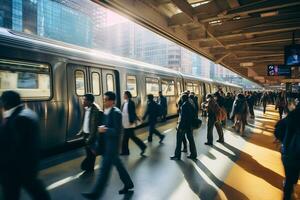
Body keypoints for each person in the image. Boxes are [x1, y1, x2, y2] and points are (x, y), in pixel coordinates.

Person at [82, 91, 134, 199]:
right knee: (119, 167)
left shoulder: (116, 113)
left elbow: (117, 131)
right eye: (104, 99)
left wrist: (104, 129)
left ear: (112, 101)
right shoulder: (107, 112)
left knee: (103, 172)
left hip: (111, 148)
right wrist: (98, 145)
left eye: (106, 100)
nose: (104, 101)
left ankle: (95, 194)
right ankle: (128, 183)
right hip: (107, 146)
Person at [0, 90, 50, 200]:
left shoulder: (19, 118)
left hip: (17, 167)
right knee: (35, 191)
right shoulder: (24, 113)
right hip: (24, 166)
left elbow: (13, 145)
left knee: (17, 193)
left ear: (6, 103)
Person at [274, 99, 300, 200]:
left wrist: (284, 140)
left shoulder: (292, 115)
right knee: (293, 176)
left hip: (289, 154)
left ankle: (288, 195)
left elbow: (278, 130)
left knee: (289, 177)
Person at [78, 93, 103, 173]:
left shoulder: (96, 111)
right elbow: (85, 121)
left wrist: (91, 138)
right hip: (86, 134)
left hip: (91, 135)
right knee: (89, 152)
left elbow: (95, 127)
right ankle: (89, 168)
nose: (83, 101)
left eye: (84, 100)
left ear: (89, 101)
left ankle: (89, 168)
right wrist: (81, 131)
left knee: (91, 153)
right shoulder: (87, 108)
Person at [170, 94, 197, 160]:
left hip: (183, 126)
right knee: (191, 140)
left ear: (182, 99)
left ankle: (177, 155)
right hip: (190, 126)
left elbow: (183, 118)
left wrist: (180, 127)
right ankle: (193, 154)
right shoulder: (191, 104)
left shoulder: (184, 105)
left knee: (179, 141)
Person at [120, 91, 147, 156]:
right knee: (126, 138)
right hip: (125, 123)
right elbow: (122, 112)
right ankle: (126, 151)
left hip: (129, 123)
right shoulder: (124, 103)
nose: (123, 96)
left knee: (131, 137)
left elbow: (132, 112)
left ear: (127, 95)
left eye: (124, 94)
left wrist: (133, 121)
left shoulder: (131, 103)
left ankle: (142, 147)